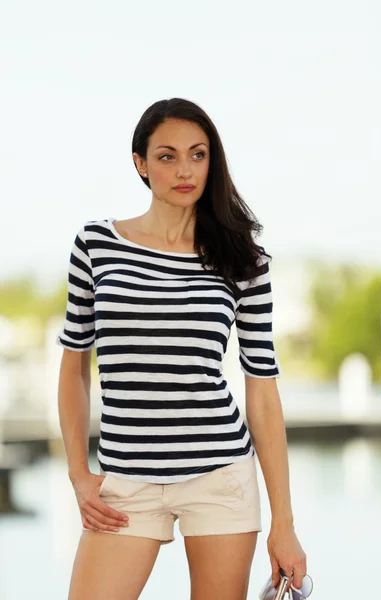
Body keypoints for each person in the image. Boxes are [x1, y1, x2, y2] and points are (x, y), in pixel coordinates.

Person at [57, 97, 307, 600]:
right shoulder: (97, 245)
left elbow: (261, 388)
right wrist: (79, 474)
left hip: (221, 476)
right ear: (140, 164)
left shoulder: (243, 260)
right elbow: (74, 368)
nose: (185, 169)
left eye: (198, 154)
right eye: (167, 156)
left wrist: (284, 522)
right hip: (124, 480)